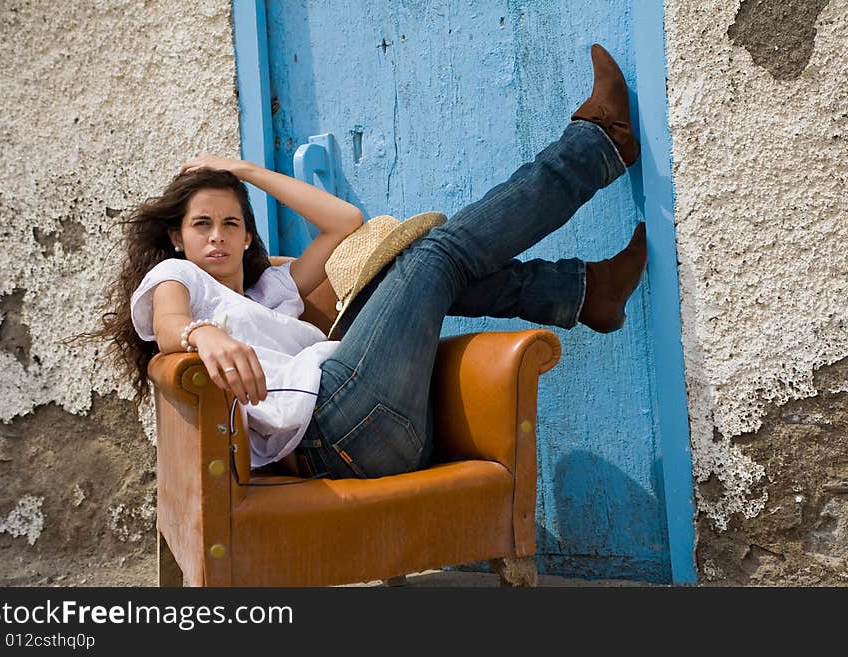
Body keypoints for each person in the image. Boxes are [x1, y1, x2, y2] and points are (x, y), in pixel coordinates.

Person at [89, 44, 648, 480]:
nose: (217, 237)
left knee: (397, 264)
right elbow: (166, 328)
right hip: (330, 430)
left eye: (231, 222)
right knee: (436, 253)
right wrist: (203, 336)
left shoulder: (273, 291)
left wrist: (247, 172)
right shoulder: (176, 276)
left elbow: (342, 221)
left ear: (247, 234)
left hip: (381, 428)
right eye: (201, 225)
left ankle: (585, 293)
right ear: (178, 238)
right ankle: (596, 146)